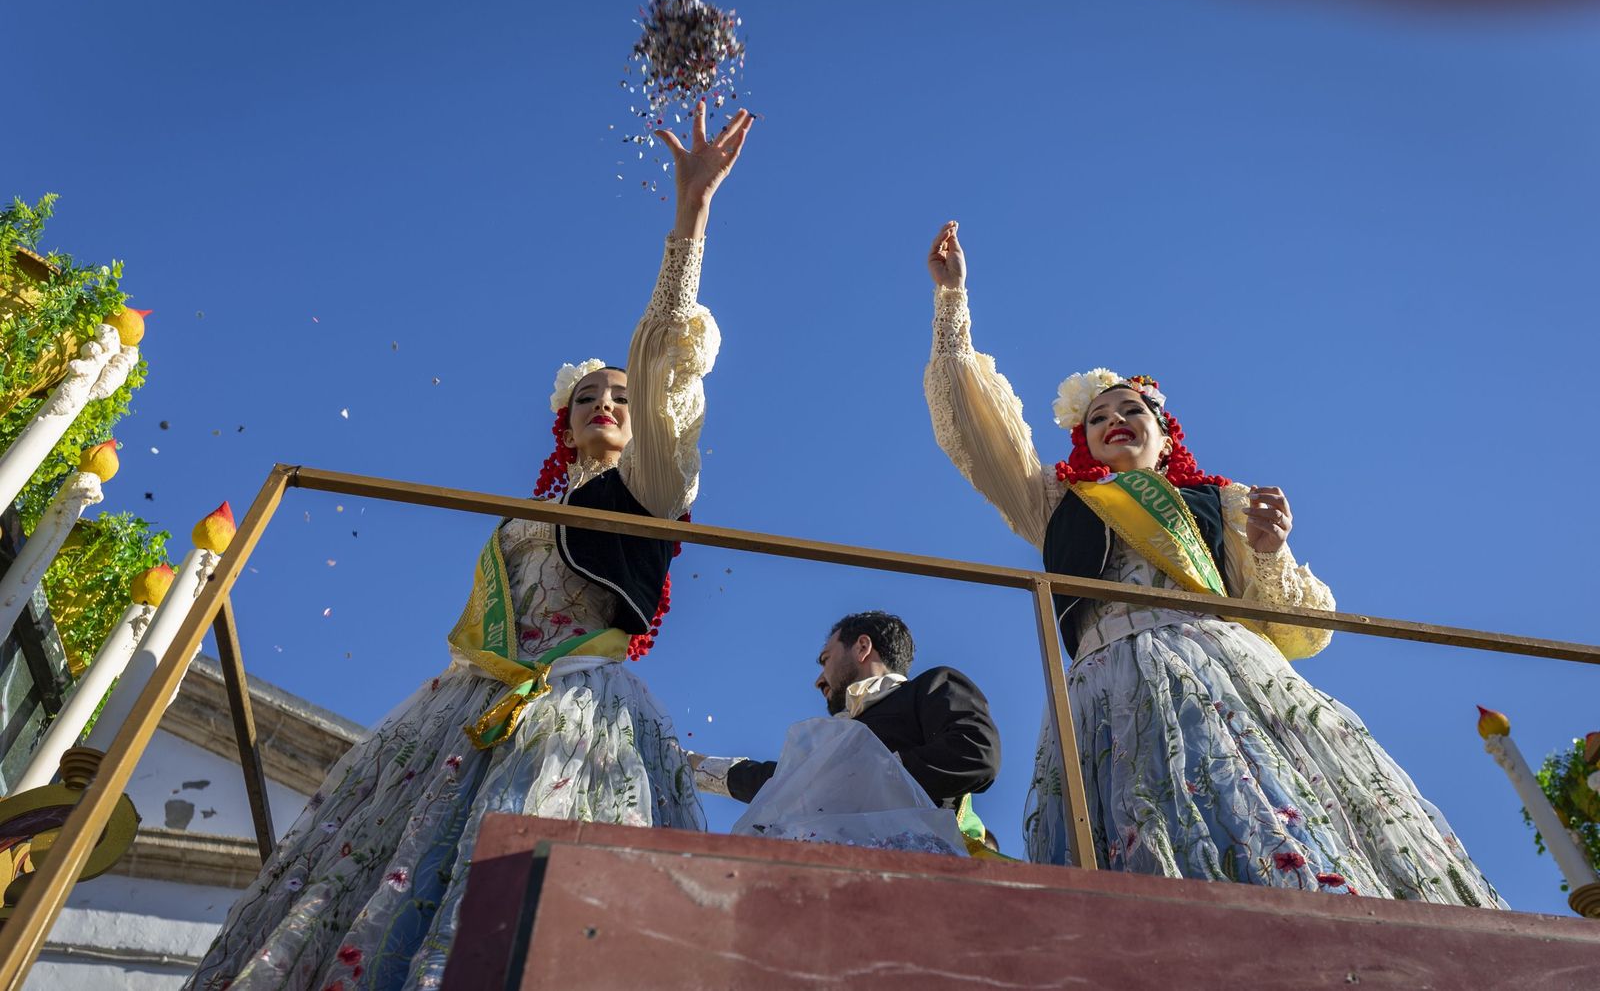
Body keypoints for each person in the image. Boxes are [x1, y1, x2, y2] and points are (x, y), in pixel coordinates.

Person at [186, 103, 755, 991]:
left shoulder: (652, 485)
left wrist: (690, 220)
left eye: (620, 397)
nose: (607, 402)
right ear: (561, 422)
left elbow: (662, 359)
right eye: (586, 398)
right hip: (467, 702)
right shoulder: (526, 509)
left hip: (574, 709)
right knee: (383, 874)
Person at [921, 220, 1502, 905]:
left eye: (1131, 409)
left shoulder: (1222, 503)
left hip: (1221, 668)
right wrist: (952, 301)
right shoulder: (1055, 502)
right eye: (1098, 416)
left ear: (1165, 435)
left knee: (1263, 816)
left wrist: (1270, 548)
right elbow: (979, 427)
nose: (1114, 420)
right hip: (1107, 683)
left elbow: (1306, 633)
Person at [693, 611, 1002, 857]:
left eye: (826, 658)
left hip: (916, 880)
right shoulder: (838, 734)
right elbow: (784, 783)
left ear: (862, 647)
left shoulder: (929, 688)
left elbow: (975, 752)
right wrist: (695, 768)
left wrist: (873, 776)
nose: (818, 680)